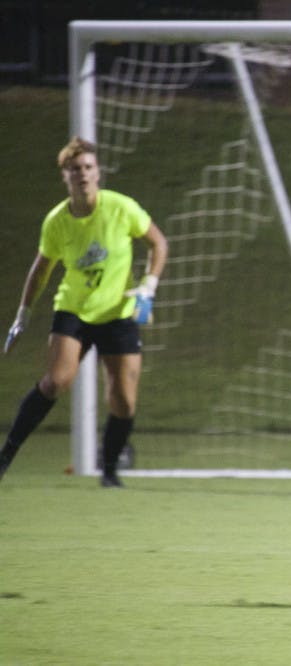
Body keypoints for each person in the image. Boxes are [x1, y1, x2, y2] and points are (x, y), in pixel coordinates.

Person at [0, 136, 168, 487]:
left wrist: (148, 287)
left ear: (98, 172)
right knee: (57, 381)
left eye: (89, 167)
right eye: (75, 169)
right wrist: (23, 316)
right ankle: (5, 457)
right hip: (74, 310)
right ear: (65, 176)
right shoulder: (57, 221)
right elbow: (40, 269)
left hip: (118, 312)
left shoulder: (121, 208)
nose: (83, 174)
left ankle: (109, 472)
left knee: (123, 400)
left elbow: (158, 242)